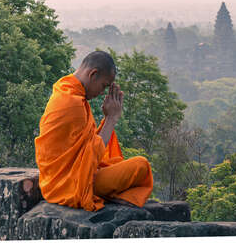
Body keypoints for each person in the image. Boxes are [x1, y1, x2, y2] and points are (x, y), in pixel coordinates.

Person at [34, 51, 153, 212]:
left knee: (119, 162)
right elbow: (92, 154)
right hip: (71, 184)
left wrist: (108, 118)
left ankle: (111, 192)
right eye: (104, 85)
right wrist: (111, 119)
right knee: (141, 165)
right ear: (93, 74)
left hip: (59, 181)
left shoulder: (66, 90)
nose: (102, 92)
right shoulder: (72, 103)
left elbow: (85, 150)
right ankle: (111, 194)